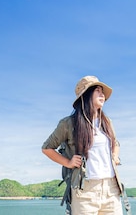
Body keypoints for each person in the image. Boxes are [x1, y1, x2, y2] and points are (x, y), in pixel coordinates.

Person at [42, 76, 125, 215]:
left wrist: (115, 157)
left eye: (102, 91)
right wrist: (68, 162)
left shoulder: (107, 122)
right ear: (85, 95)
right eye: (97, 90)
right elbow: (47, 148)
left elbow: (115, 143)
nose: (102, 94)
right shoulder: (68, 123)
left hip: (111, 189)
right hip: (85, 191)